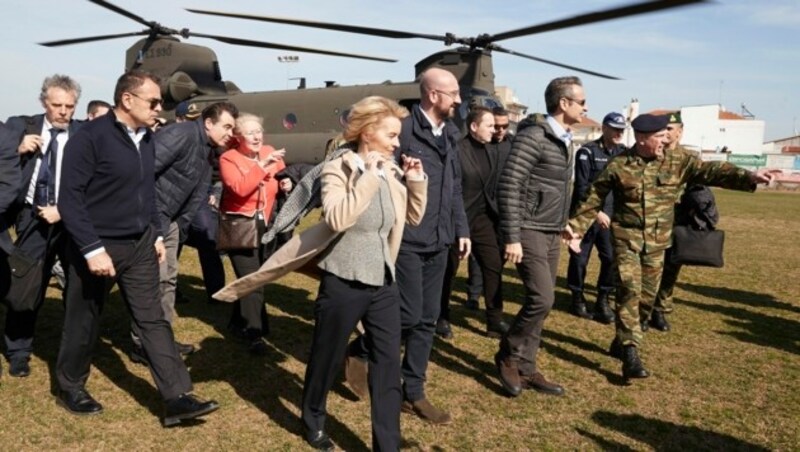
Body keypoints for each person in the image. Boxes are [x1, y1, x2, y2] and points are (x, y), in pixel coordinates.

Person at [57, 69, 218, 425]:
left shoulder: (146, 138)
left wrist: (157, 233)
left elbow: (148, 192)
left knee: (153, 319)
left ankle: (177, 397)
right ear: (127, 99)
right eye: (154, 101)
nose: (160, 107)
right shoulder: (90, 138)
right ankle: (70, 386)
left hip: (141, 244)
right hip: (98, 246)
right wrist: (90, 248)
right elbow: (69, 198)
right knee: (84, 319)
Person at [568, 113, 778, 381]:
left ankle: (622, 339)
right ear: (643, 138)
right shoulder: (619, 165)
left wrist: (749, 176)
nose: (664, 140)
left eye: (666, 134)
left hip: (657, 242)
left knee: (647, 298)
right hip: (627, 238)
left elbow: (711, 171)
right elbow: (593, 196)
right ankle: (631, 353)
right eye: (659, 136)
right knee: (629, 290)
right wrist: (576, 227)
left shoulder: (678, 161)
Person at [345, 68, 470, 425]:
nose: (458, 100)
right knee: (408, 315)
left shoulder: (451, 134)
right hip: (408, 239)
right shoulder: (404, 131)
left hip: (440, 239)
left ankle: (413, 391)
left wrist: (460, 228)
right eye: (453, 94)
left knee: (428, 320)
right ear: (434, 95)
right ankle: (362, 348)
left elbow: (455, 187)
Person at [301, 96, 427, 451]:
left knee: (387, 364)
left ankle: (387, 444)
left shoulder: (389, 169)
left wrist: (416, 181)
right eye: (391, 134)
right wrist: (369, 177)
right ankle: (312, 417)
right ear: (369, 132)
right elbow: (339, 218)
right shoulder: (337, 168)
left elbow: (410, 218)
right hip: (344, 279)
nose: (397, 142)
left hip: (383, 280)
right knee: (326, 356)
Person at [495, 76, 587, 398]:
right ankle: (508, 353)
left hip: (550, 231)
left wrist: (562, 222)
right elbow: (510, 185)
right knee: (542, 299)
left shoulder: (565, 139)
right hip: (528, 230)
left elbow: (552, 188)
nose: (585, 107)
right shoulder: (534, 136)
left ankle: (527, 368)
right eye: (581, 102)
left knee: (543, 305)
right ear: (564, 103)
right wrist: (512, 236)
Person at [129, 101, 238, 365]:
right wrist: (153, 219)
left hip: (172, 222)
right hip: (154, 219)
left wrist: (179, 224)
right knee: (152, 283)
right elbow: (142, 171)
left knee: (167, 282)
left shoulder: (206, 147)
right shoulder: (181, 134)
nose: (230, 133)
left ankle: (160, 340)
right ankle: (142, 344)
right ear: (208, 123)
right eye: (226, 126)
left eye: (232, 128)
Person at [2, 74, 83, 378]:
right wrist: (16, 149)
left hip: (70, 219)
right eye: (57, 105)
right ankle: (18, 351)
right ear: (43, 103)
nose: (63, 111)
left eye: (69, 106)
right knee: (26, 285)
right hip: (32, 217)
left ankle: (73, 350)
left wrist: (63, 210)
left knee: (78, 286)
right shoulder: (20, 126)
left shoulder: (83, 135)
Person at [437, 106, 510, 340]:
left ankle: (494, 319)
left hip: (483, 219)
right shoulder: (457, 149)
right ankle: (441, 317)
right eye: (490, 125)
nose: (495, 130)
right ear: (474, 126)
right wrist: (457, 225)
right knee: (448, 271)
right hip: (458, 219)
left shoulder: (491, 150)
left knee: (493, 265)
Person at [219, 113, 286, 354]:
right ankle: (255, 333)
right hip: (239, 227)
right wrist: (261, 167)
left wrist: (285, 182)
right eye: (250, 132)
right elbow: (239, 189)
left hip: (265, 226)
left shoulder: (268, 150)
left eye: (259, 131)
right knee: (253, 281)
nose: (257, 136)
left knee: (255, 277)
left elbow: (279, 177)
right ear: (238, 137)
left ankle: (237, 322)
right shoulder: (229, 158)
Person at [645, 112, 713, 332]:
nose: (667, 133)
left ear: (680, 131)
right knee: (648, 268)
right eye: (664, 129)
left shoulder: (689, 158)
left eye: (671, 128)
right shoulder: (652, 153)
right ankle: (643, 310)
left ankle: (660, 310)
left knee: (672, 268)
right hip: (653, 221)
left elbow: (704, 183)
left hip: (680, 222)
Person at [566, 111, 627, 323]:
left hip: (609, 218)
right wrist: (597, 212)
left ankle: (603, 298)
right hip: (586, 214)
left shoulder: (623, 153)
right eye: (615, 129)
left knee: (610, 258)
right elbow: (583, 187)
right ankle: (577, 297)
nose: (619, 133)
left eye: (622, 130)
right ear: (604, 128)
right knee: (580, 258)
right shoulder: (587, 152)